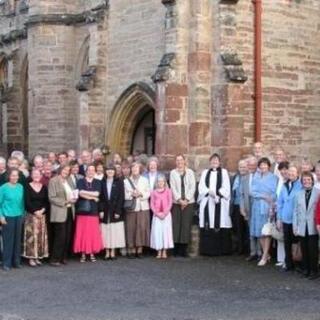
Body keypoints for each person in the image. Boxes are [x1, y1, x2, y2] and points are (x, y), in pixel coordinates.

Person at [198, 154, 232, 256]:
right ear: (210, 162)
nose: (214, 162)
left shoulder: (224, 172)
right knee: (209, 223)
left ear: (219, 162)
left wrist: (218, 194)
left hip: (220, 202)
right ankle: (208, 250)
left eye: (216, 160)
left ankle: (223, 250)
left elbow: (226, 186)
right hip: (208, 201)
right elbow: (201, 186)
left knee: (221, 222)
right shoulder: (205, 173)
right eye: (213, 160)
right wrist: (209, 192)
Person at [250, 157, 278, 266]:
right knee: (259, 231)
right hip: (257, 206)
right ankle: (266, 254)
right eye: (261, 165)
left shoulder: (274, 178)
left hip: (267, 206)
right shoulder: (256, 177)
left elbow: (275, 193)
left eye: (265, 165)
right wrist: (263, 196)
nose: (263, 167)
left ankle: (265, 255)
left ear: (269, 166)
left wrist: (270, 200)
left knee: (266, 231)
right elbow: (252, 192)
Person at [293, 172, 320, 280]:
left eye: (309, 180)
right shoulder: (298, 194)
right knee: (304, 248)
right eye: (304, 180)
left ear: (312, 181)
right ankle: (306, 269)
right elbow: (295, 211)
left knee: (313, 249)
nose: (306, 182)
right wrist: (295, 226)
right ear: (302, 182)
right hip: (301, 225)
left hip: (313, 225)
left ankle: (314, 271)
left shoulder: (318, 193)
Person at [73, 164, 103, 262]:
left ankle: (91, 253)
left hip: (93, 211)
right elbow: (80, 193)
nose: (91, 172)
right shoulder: (80, 181)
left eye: (93, 170)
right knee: (83, 233)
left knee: (92, 233)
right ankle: (83, 253)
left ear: (95, 171)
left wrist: (89, 194)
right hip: (82, 210)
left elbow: (97, 193)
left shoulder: (98, 182)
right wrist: (93, 197)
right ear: (86, 171)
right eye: (89, 170)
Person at [48, 165, 76, 266]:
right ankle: (55, 259)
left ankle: (63, 257)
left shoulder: (69, 180)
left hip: (70, 210)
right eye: (64, 169)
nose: (66, 172)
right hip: (59, 211)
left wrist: (74, 198)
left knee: (68, 236)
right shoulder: (53, 181)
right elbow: (51, 197)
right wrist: (65, 201)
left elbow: (73, 192)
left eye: (68, 170)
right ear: (60, 170)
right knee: (60, 236)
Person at [277, 165, 302, 272]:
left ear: (297, 174)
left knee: (296, 242)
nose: (291, 174)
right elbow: (280, 203)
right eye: (289, 172)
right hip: (285, 218)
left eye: (293, 172)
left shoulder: (301, 185)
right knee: (287, 242)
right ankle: (289, 264)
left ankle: (298, 263)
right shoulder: (284, 185)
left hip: (297, 219)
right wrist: (279, 218)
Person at [170, 154, 196, 257]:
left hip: (189, 203)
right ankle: (175, 249)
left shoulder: (190, 172)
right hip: (176, 203)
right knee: (176, 225)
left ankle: (183, 250)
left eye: (181, 160)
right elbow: (172, 187)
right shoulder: (173, 173)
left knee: (185, 225)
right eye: (177, 160)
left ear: (184, 161)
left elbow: (192, 187)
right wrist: (179, 200)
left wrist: (186, 200)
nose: (179, 162)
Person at [22, 169, 49, 267]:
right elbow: (27, 202)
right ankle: (31, 257)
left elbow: (47, 202)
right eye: (34, 174)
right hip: (31, 215)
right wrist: (35, 212)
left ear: (41, 175)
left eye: (38, 174)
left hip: (41, 215)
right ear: (31, 176)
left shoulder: (44, 187)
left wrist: (42, 211)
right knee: (31, 237)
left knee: (40, 237)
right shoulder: (27, 186)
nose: (36, 176)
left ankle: (37, 257)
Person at [124, 162, 151, 258]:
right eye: (133, 167)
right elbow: (124, 194)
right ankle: (131, 249)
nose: (135, 169)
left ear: (140, 169)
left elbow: (148, 192)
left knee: (141, 228)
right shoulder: (126, 181)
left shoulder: (145, 180)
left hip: (143, 207)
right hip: (131, 207)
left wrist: (141, 194)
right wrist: (131, 195)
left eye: (137, 167)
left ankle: (139, 250)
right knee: (131, 228)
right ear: (131, 169)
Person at [0, 168, 25, 271]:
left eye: (17, 175)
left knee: (17, 240)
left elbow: (22, 202)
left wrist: (23, 214)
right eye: (13, 175)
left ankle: (16, 262)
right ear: (9, 176)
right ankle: (6, 263)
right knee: (8, 241)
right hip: (7, 217)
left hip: (19, 216)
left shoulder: (21, 187)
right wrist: (1, 216)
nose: (15, 177)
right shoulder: (3, 188)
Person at [99, 163, 125, 260]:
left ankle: (113, 251)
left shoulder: (119, 181)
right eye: (108, 169)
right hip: (105, 210)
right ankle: (107, 251)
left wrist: (118, 211)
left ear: (114, 171)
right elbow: (100, 197)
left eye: (112, 169)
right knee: (106, 230)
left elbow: (121, 197)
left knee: (114, 231)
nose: (110, 171)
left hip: (115, 210)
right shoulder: (102, 181)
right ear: (105, 171)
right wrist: (101, 210)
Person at [240, 156, 261, 261]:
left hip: (258, 206)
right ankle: (253, 252)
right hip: (248, 207)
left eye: (254, 165)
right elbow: (242, 194)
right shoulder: (244, 178)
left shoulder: (260, 176)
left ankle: (260, 253)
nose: (251, 167)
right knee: (251, 231)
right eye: (250, 165)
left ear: (256, 166)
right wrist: (242, 208)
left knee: (259, 230)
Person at [150, 175, 174, 259]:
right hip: (157, 215)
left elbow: (170, 202)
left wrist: (165, 213)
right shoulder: (153, 192)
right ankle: (159, 251)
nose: (160, 183)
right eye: (159, 181)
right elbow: (152, 204)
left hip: (166, 215)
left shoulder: (168, 191)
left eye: (162, 181)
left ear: (164, 182)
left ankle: (164, 251)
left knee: (165, 233)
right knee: (157, 232)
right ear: (156, 183)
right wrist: (157, 213)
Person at [231, 159, 249, 255]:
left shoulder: (249, 178)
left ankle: (247, 249)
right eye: (241, 167)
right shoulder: (235, 178)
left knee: (247, 228)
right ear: (238, 168)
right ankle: (239, 248)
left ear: (247, 168)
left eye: (244, 167)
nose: (242, 168)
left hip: (246, 206)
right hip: (236, 205)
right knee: (238, 228)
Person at [274, 161, 289, 267]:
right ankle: (281, 258)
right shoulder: (278, 181)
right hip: (278, 210)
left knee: (287, 237)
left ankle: (288, 259)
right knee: (280, 234)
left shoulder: (290, 182)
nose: (283, 171)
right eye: (281, 169)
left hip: (287, 212)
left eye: (285, 169)